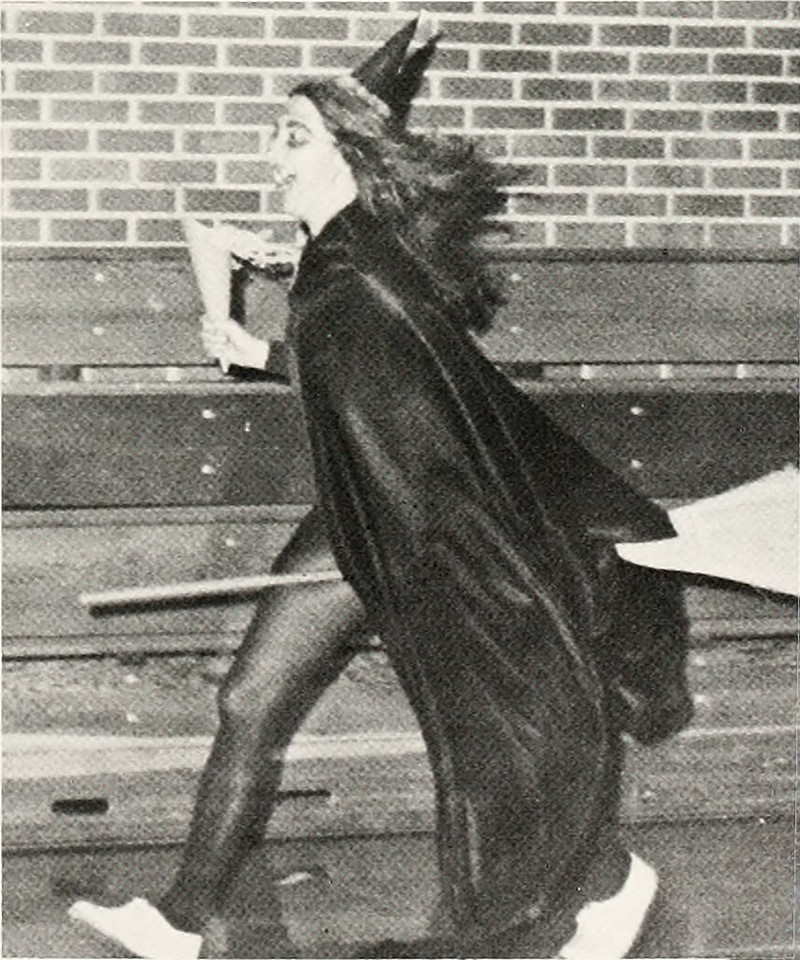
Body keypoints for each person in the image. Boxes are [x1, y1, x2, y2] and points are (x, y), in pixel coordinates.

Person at [70, 19, 693, 959]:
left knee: (495, 723)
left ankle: (607, 884)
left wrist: (436, 557)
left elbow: (404, 401)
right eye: (273, 134)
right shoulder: (338, 259)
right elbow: (367, 381)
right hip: (367, 509)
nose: (271, 155)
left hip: (428, 521)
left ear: (347, 157)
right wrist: (259, 350)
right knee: (250, 698)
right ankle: (179, 922)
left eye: (293, 137)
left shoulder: (357, 276)